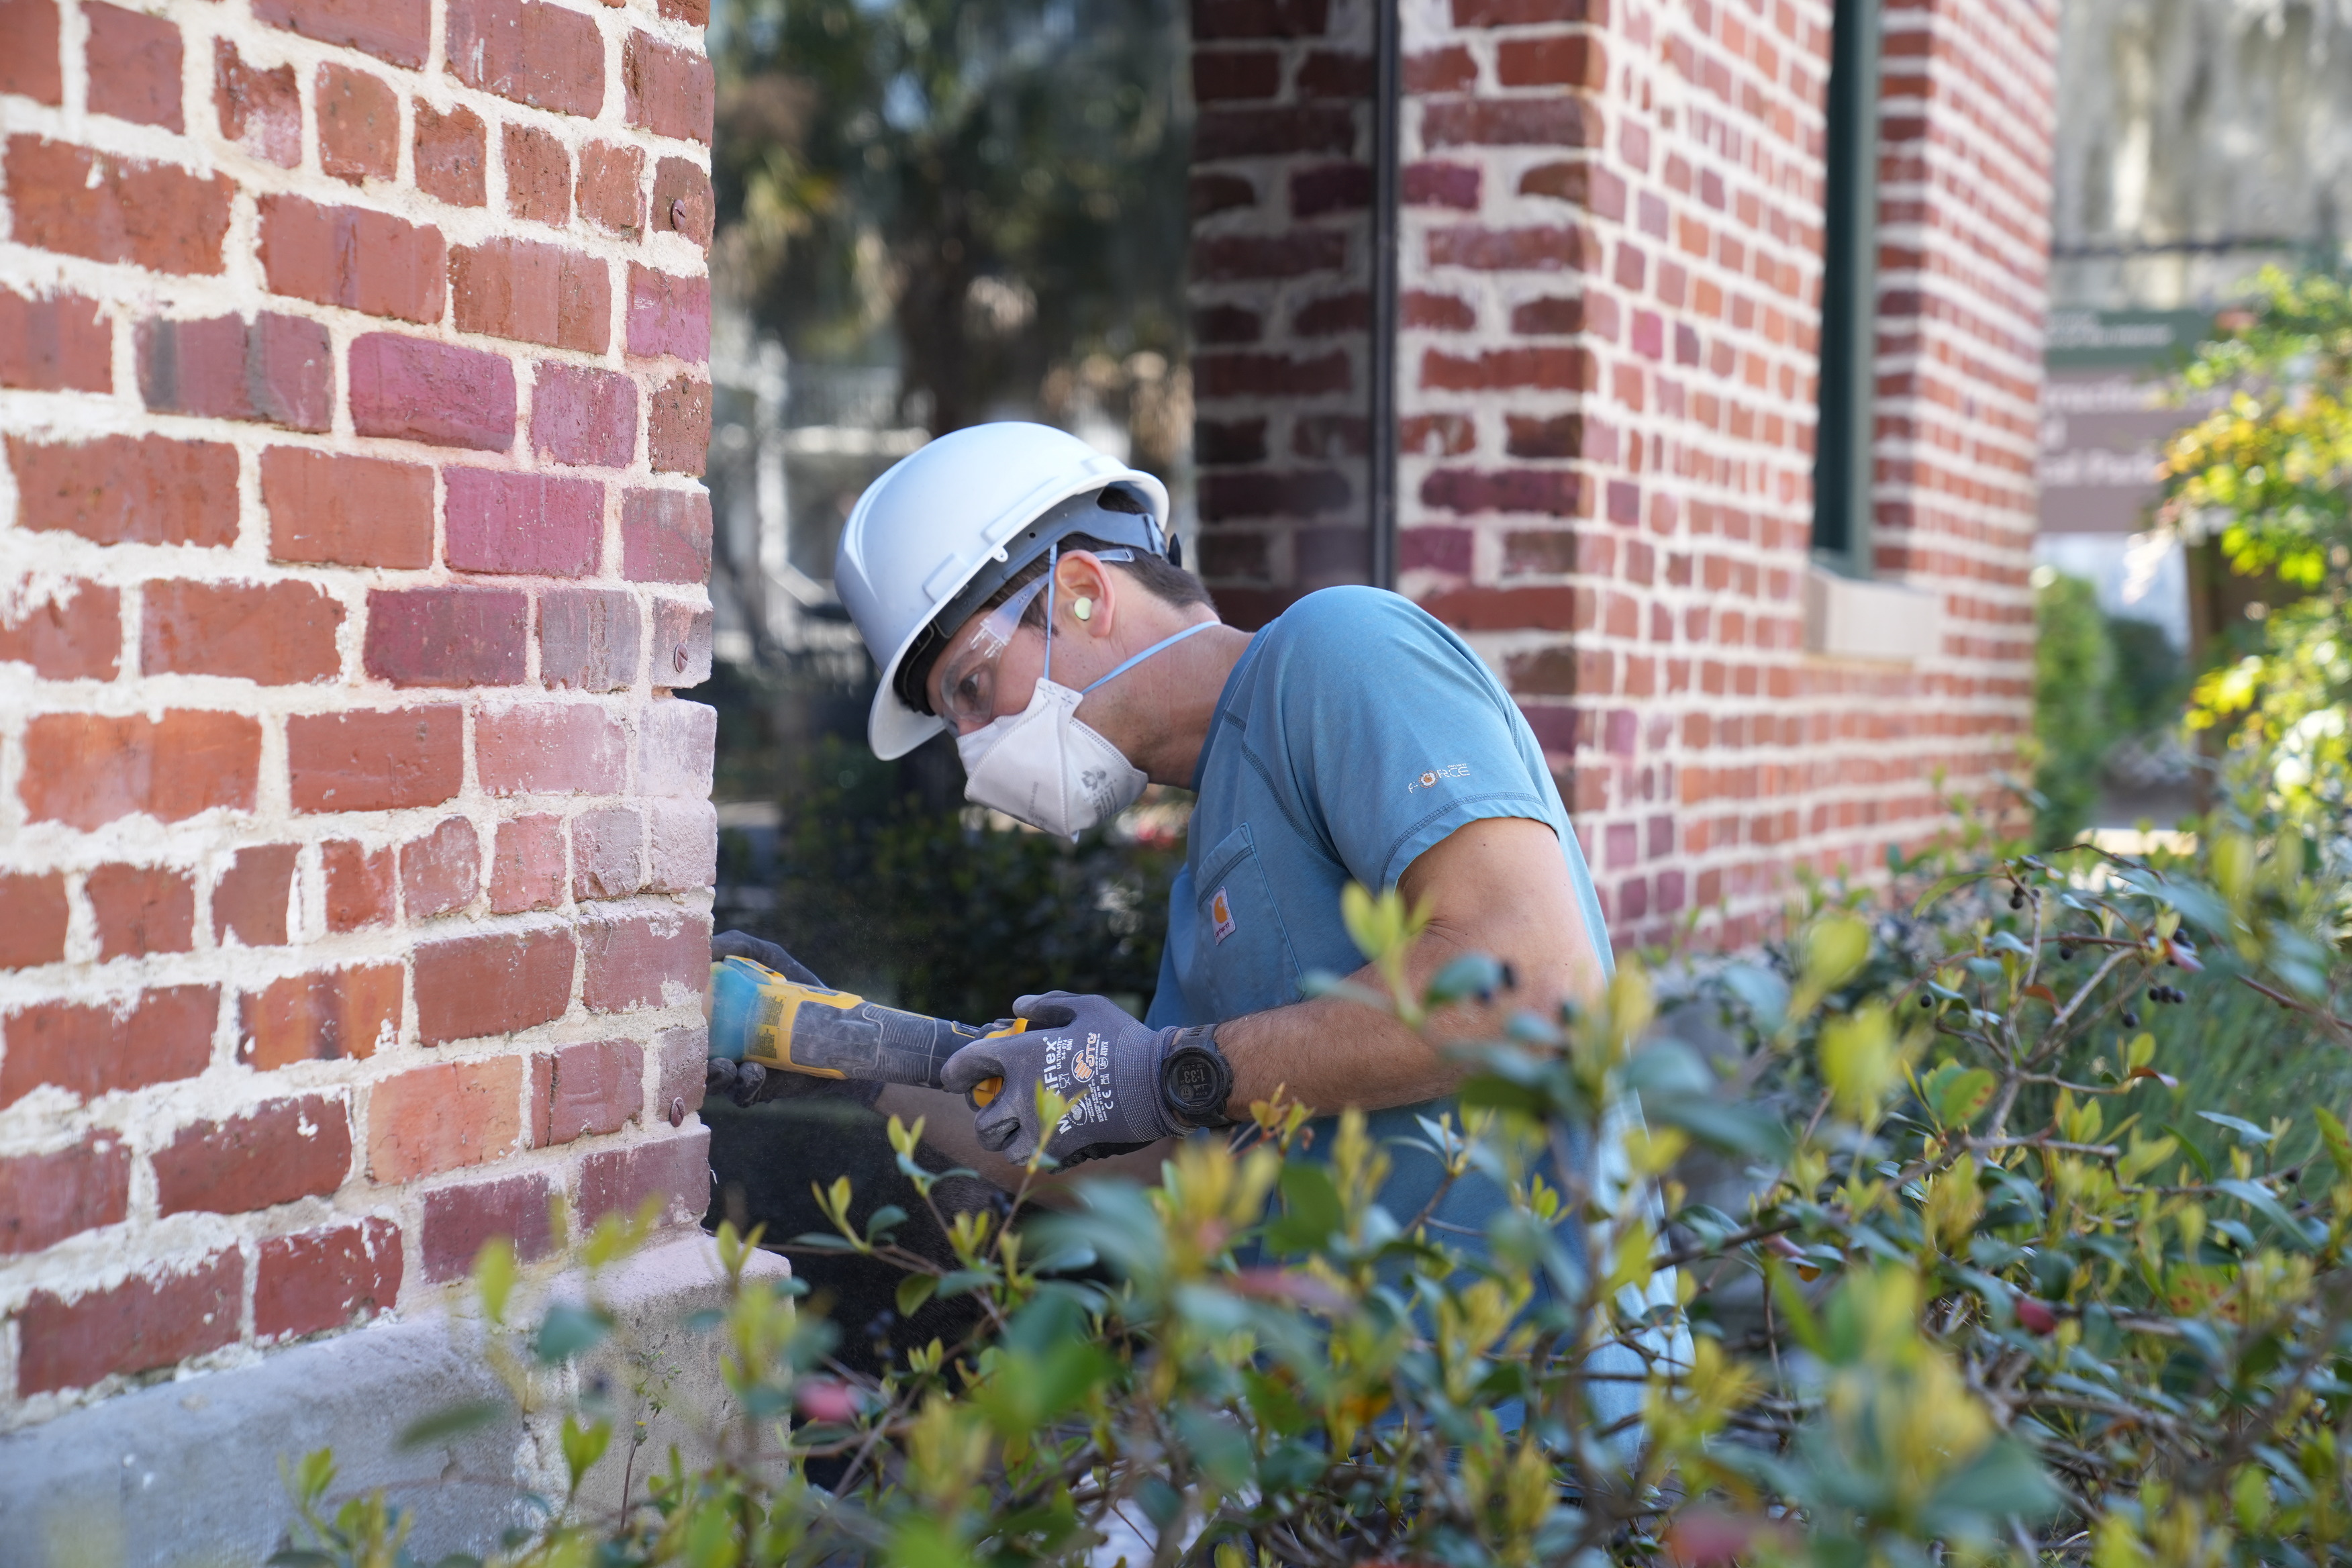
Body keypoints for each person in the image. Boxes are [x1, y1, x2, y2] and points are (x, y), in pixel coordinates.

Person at [800, 420, 1619, 1246]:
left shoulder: (1341, 648)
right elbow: (1158, 1166)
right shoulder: (1211, 865)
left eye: (973, 687)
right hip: (1352, 1375)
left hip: (1521, 1362)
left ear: (1082, 591)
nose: (975, 753)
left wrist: (1165, 1071)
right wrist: (857, 1051)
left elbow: (1534, 982)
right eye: (955, 722)